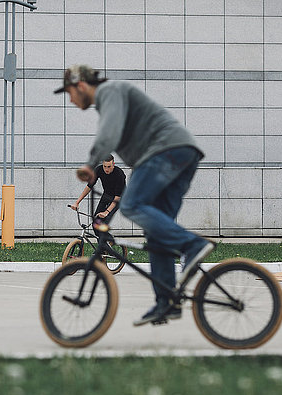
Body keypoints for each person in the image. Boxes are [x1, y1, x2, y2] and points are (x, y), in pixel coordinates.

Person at [54, 65, 215, 326]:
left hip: (165, 151)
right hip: (182, 154)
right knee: (158, 233)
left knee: (131, 204)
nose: (71, 100)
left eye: (69, 93)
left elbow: (110, 132)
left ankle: (191, 245)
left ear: (80, 86)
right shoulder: (110, 98)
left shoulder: (110, 92)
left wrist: (90, 163)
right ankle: (167, 302)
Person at [70, 154, 126, 228]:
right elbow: (89, 186)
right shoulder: (99, 170)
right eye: (104, 166)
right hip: (106, 195)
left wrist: (106, 212)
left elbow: (117, 197)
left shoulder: (119, 174)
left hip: (119, 198)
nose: (106, 169)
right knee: (96, 222)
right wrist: (77, 202)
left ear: (113, 165)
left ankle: (108, 239)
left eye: (109, 167)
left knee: (104, 223)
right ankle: (101, 239)